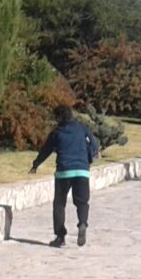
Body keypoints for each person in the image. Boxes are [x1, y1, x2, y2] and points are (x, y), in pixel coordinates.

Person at [30, 105, 100, 248]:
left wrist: (36, 164)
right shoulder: (82, 128)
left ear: (59, 117)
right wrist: (90, 157)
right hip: (82, 171)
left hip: (64, 172)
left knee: (59, 204)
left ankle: (60, 237)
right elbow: (94, 143)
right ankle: (82, 223)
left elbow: (46, 150)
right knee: (82, 202)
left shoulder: (57, 132)